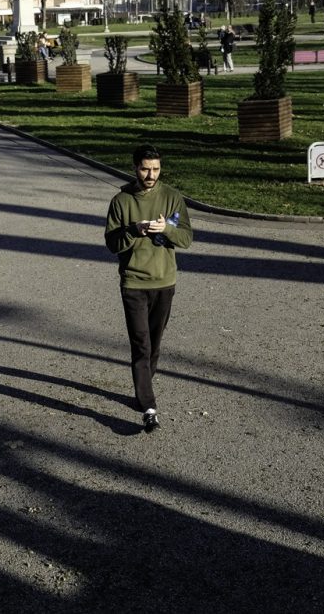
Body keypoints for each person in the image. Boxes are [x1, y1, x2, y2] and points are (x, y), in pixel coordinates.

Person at [104, 144, 193, 433]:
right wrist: (134, 230)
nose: (150, 174)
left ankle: (143, 388)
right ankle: (149, 407)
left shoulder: (172, 197)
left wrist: (165, 229)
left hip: (165, 282)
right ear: (135, 168)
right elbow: (112, 244)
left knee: (154, 345)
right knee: (141, 345)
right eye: (145, 168)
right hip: (133, 283)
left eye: (155, 168)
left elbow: (186, 239)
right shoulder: (121, 201)